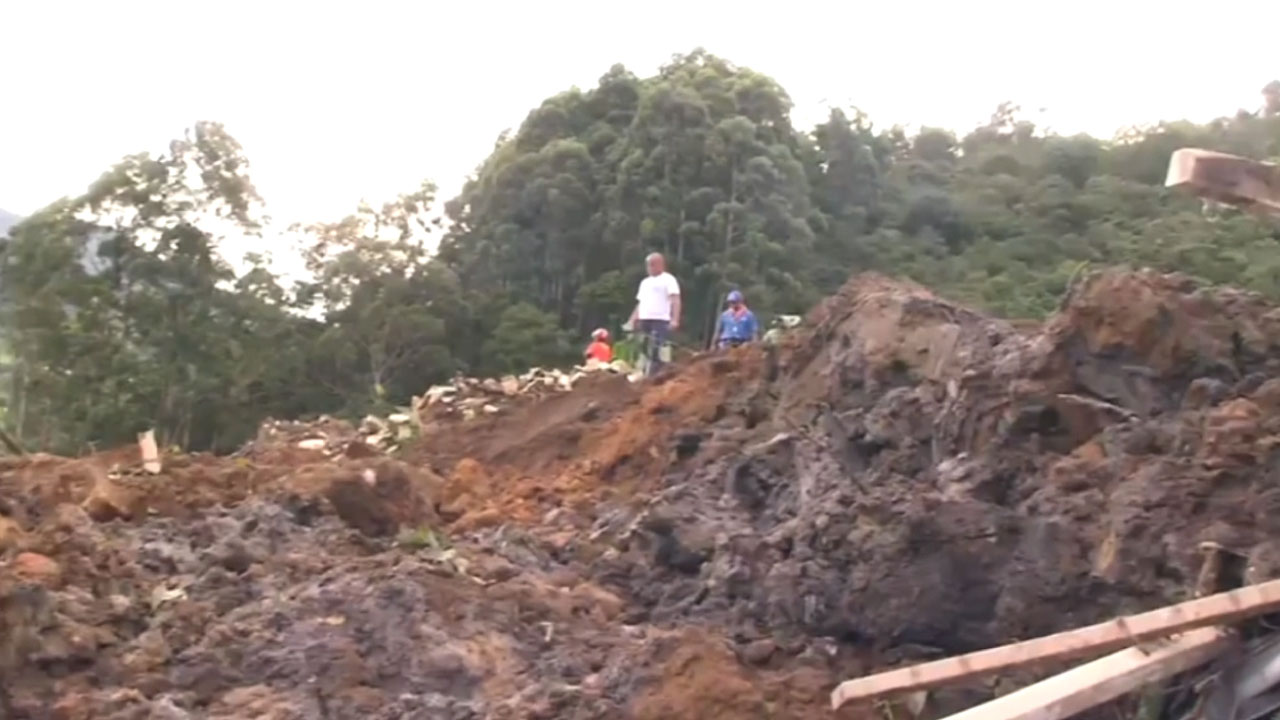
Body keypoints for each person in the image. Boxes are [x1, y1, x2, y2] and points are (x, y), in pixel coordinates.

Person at [627, 252, 680, 376]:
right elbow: (640, 303)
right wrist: (632, 320)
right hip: (645, 319)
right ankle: (644, 372)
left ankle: (659, 373)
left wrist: (675, 319)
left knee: (658, 348)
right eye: (648, 265)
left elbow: (675, 300)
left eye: (652, 265)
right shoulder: (645, 282)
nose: (649, 268)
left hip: (660, 319)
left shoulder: (668, 279)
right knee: (644, 347)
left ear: (660, 264)